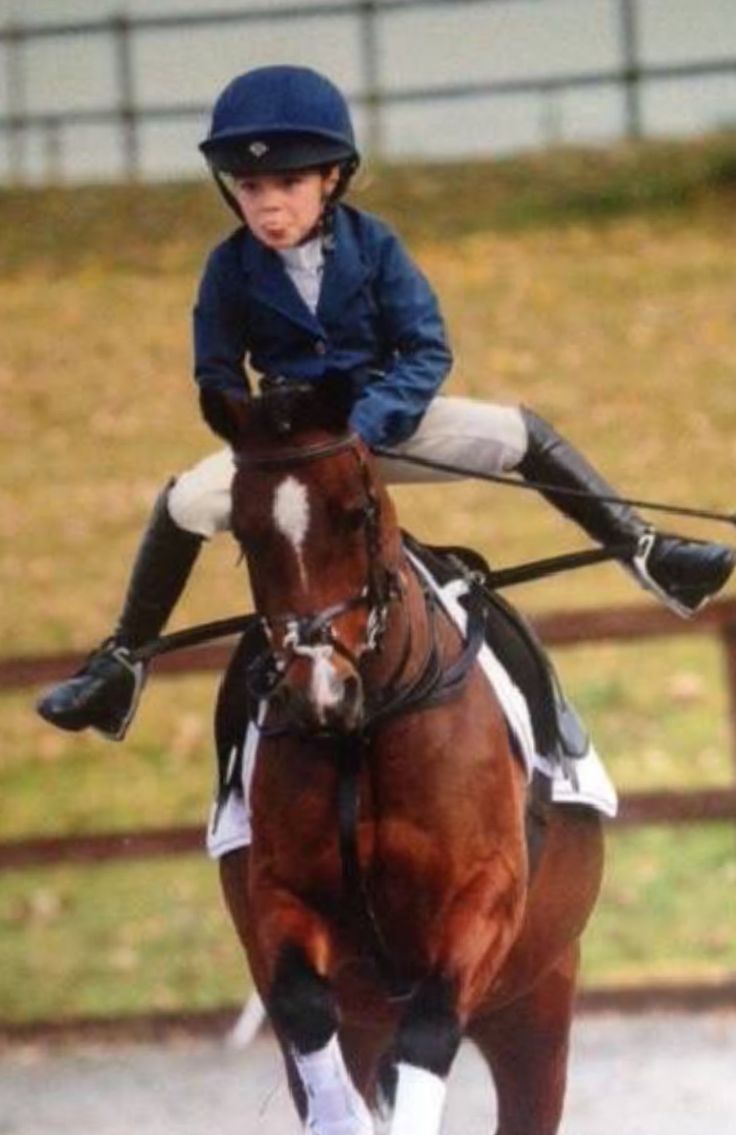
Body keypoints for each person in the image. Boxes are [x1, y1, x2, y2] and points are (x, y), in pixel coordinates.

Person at [37, 65, 733, 741]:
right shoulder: (228, 266)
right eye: (251, 187)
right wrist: (261, 440)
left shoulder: (375, 246)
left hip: (385, 420)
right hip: (292, 449)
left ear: (331, 178)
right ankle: (122, 662)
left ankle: (647, 552)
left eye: (288, 183)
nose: (269, 205)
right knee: (187, 501)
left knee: (517, 433)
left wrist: (367, 427)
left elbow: (426, 350)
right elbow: (216, 372)